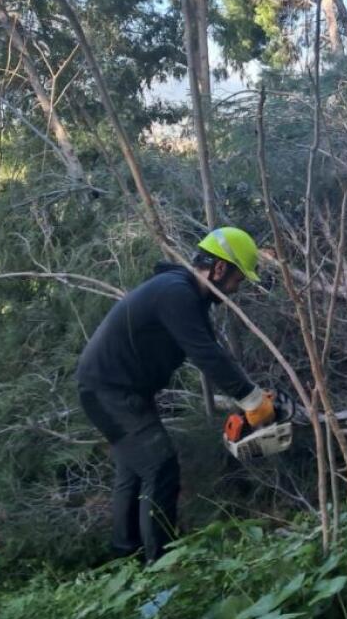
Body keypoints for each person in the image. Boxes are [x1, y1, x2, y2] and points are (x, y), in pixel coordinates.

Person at [76, 227, 275, 562]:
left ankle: (126, 559)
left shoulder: (182, 294)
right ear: (220, 268)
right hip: (110, 390)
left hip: (115, 388)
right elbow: (206, 355)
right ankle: (161, 564)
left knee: (134, 470)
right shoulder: (176, 293)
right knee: (161, 465)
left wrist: (250, 392)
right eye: (237, 279)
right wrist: (252, 400)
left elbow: (213, 351)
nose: (235, 290)